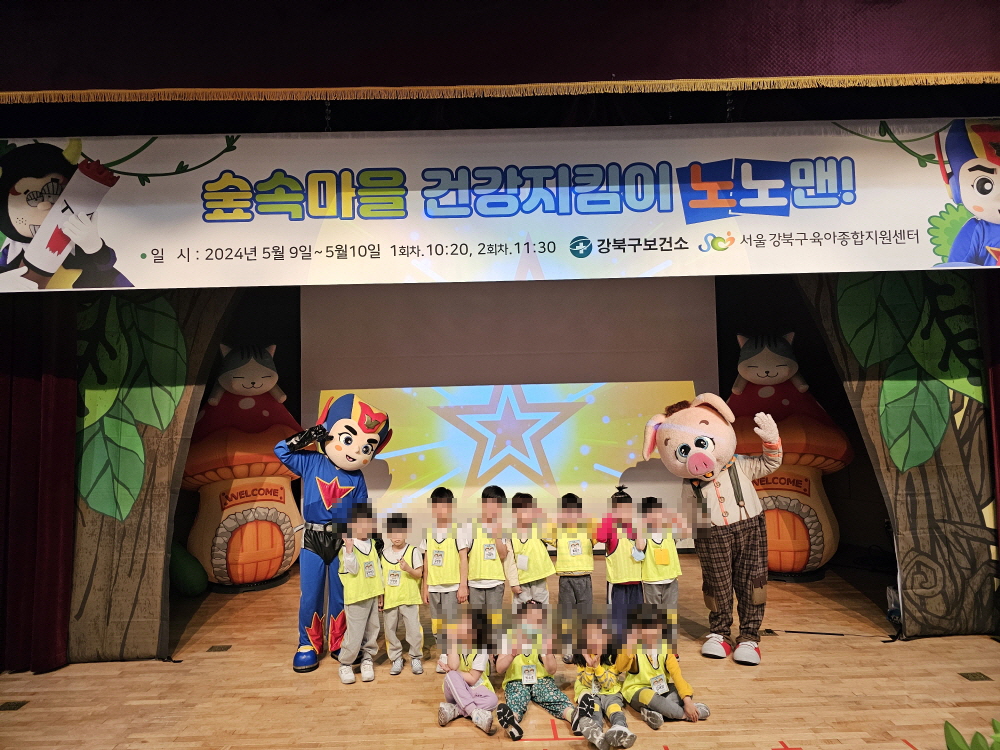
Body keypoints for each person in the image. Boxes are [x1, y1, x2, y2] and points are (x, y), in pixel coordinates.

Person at [273, 393, 391, 673]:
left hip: (342, 541)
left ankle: (340, 642)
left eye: (367, 447)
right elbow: (281, 451)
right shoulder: (312, 461)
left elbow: (361, 513)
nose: (356, 451)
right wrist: (308, 436)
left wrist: (374, 543)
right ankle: (308, 644)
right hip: (312, 539)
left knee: (341, 594)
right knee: (310, 594)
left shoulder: (357, 478)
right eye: (348, 439)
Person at [495, 600, 587, 741]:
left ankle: (573, 716)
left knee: (553, 696)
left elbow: (552, 670)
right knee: (516, 697)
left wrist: (547, 653)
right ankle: (512, 722)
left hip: (541, 680)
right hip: (516, 680)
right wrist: (511, 654)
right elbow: (500, 669)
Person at [620, 606, 710, 728]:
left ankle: (653, 712)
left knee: (685, 689)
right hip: (637, 690)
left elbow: (677, 676)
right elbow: (620, 667)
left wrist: (687, 701)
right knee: (649, 697)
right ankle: (686, 715)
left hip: (660, 689)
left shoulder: (666, 649)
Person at [420, 486, 469, 673]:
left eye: (444, 505)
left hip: (452, 586)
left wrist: (463, 585)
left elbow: (463, 559)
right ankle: (443, 652)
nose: (440, 510)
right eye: (437, 505)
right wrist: (425, 587)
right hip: (434, 587)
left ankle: (452, 654)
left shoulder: (458, 531)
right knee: (437, 623)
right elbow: (426, 562)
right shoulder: (428, 532)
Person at [543, 492, 596, 663]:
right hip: (566, 578)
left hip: (584, 577)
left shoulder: (588, 527)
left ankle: (584, 650)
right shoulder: (558, 528)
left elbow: (598, 537)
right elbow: (544, 534)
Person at [467, 485, 520, 652]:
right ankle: (480, 656)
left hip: (495, 582)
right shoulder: (471, 527)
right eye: (490, 503)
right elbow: (464, 556)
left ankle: (493, 654)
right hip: (475, 582)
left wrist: (496, 534)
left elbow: (503, 555)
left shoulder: (502, 529)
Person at [338, 503, 385, 684]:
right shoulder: (347, 547)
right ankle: (345, 663)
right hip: (356, 597)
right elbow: (352, 569)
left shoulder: (372, 544)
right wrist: (349, 549)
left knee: (372, 631)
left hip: (372, 594)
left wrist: (380, 593)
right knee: (355, 634)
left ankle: (367, 660)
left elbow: (378, 570)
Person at [571, 619, 636, 750]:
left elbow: (609, 684)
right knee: (595, 710)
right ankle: (596, 734)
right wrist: (589, 666)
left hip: (610, 692)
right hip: (592, 692)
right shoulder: (583, 656)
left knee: (614, 709)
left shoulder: (612, 657)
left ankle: (620, 728)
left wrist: (598, 667)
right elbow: (585, 683)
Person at [634, 496, 687, 656]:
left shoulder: (669, 530)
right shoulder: (643, 533)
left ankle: (670, 649)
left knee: (669, 614)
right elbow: (639, 548)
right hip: (651, 579)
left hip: (671, 578)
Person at [438, 608, 498, 735]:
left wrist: (455, 674)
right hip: (455, 690)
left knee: (492, 700)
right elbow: (453, 666)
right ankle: (475, 714)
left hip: (475, 689)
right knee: (451, 675)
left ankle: (455, 710)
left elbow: (472, 679)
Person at [598, 487, 644, 645]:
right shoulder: (610, 527)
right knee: (617, 616)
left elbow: (641, 546)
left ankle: (634, 643)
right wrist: (610, 519)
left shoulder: (635, 527)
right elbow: (600, 537)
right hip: (617, 582)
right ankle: (618, 645)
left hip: (636, 580)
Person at [380, 512, 424, 676]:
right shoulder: (384, 554)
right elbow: (381, 579)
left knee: (414, 629)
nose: (396, 537)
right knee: (390, 630)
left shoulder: (413, 551)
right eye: (393, 533)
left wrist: (408, 569)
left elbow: (419, 574)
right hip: (390, 599)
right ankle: (396, 658)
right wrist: (381, 597)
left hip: (409, 597)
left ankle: (415, 657)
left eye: (400, 532)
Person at [510, 493, 556, 614]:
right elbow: (509, 561)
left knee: (541, 607)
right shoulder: (510, 534)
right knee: (521, 608)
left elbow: (556, 540)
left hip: (539, 577)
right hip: (521, 579)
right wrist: (513, 583)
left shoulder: (539, 528)